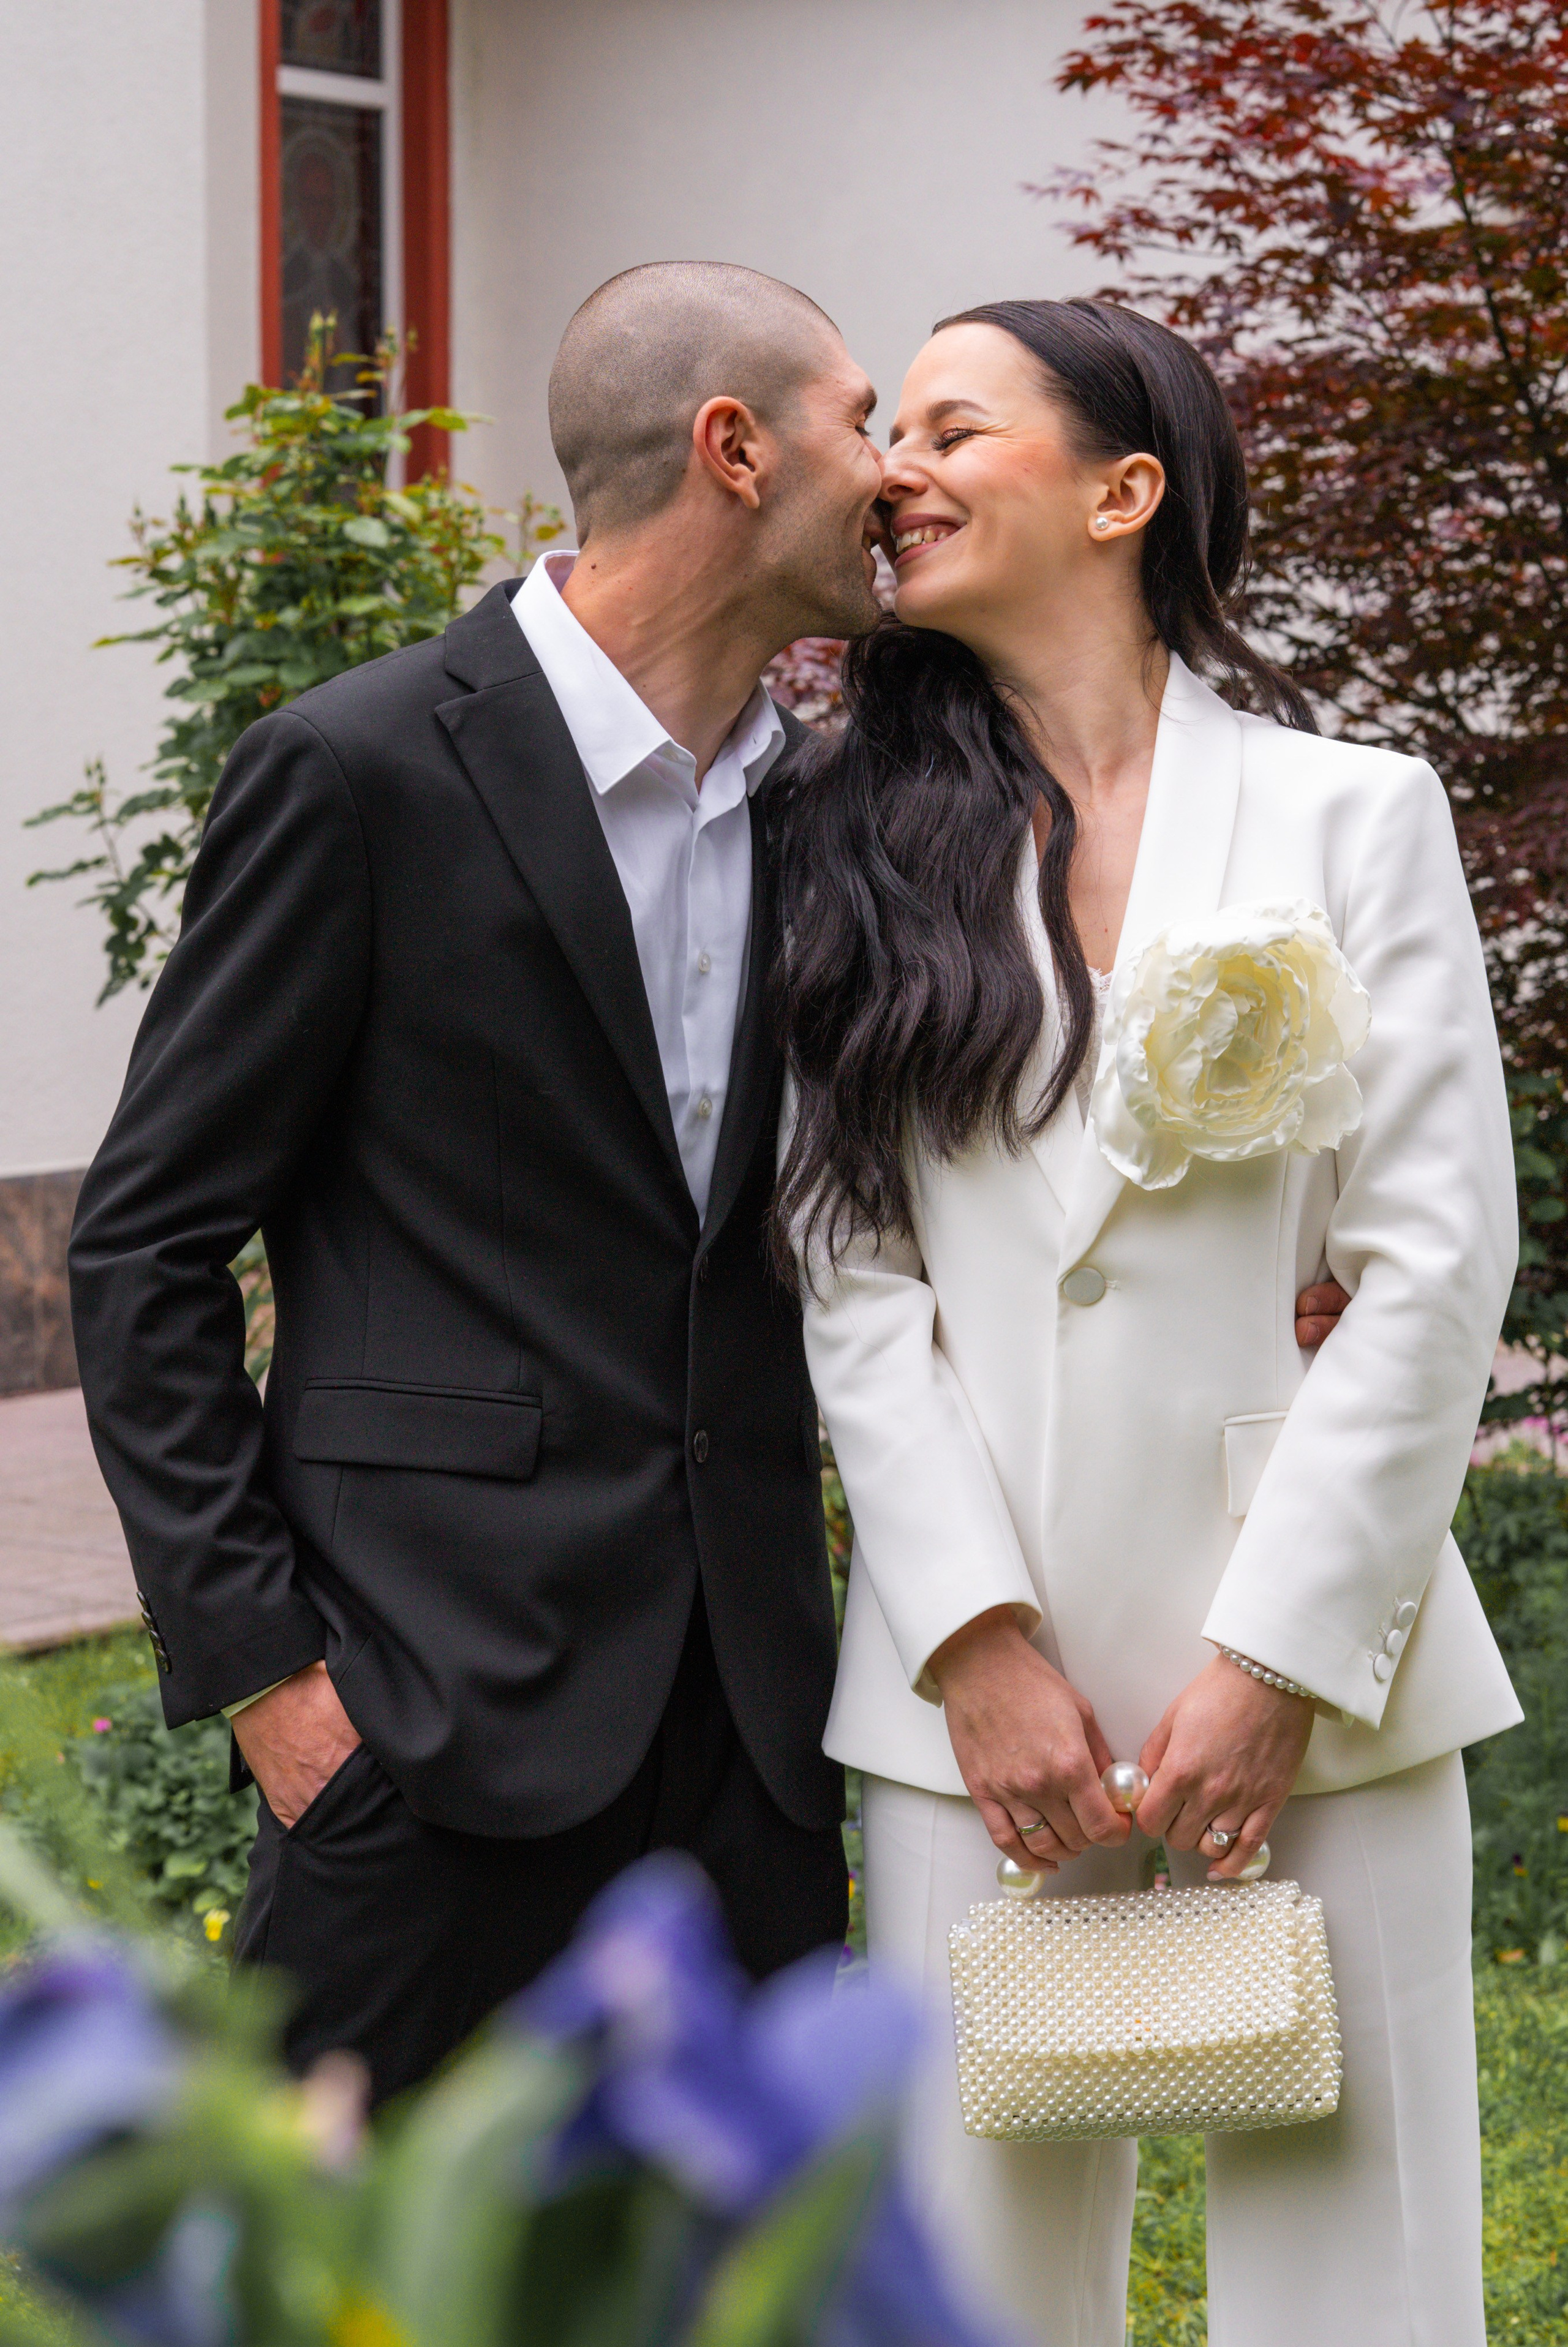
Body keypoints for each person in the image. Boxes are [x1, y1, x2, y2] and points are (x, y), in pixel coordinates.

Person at [772, 299, 1520, 2347]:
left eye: (950, 426)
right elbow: (850, 1272)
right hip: (975, 1699)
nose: (892, 468)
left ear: (1124, 490)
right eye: (885, 432)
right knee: (969, 2286)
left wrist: (1276, 1656)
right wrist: (973, 1642)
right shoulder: (842, 834)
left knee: (1358, 2278)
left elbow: (1436, 1262)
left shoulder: (1353, 816)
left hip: (1319, 1675)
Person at [68, 261, 888, 2103]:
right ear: (733, 449)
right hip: (422, 1736)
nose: (894, 467)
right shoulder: (355, 774)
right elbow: (143, 1245)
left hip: (752, 1747)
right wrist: (276, 1685)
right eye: (864, 417)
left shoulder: (830, 805)